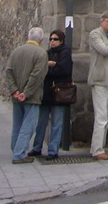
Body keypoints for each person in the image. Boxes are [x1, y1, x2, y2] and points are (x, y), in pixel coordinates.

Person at [5, 26, 48, 163]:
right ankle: (19, 154)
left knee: (17, 124)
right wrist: (26, 93)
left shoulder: (16, 51)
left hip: (16, 95)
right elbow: (37, 76)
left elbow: (9, 71)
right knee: (28, 125)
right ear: (41, 39)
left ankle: (16, 148)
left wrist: (14, 90)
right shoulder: (41, 54)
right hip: (32, 97)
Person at [30, 28, 73, 160]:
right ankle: (37, 147)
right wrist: (49, 66)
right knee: (41, 122)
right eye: (51, 39)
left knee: (56, 122)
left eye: (55, 39)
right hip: (46, 92)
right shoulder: (46, 53)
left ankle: (53, 150)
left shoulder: (65, 53)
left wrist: (48, 69)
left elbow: (64, 70)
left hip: (59, 93)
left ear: (61, 41)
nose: (52, 42)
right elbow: (40, 69)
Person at [87, 12, 108, 160]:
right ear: (102, 22)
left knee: (107, 113)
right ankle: (96, 150)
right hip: (100, 78)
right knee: (101, 116)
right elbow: (105, 50)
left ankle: (101, 146)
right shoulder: (95, 34)